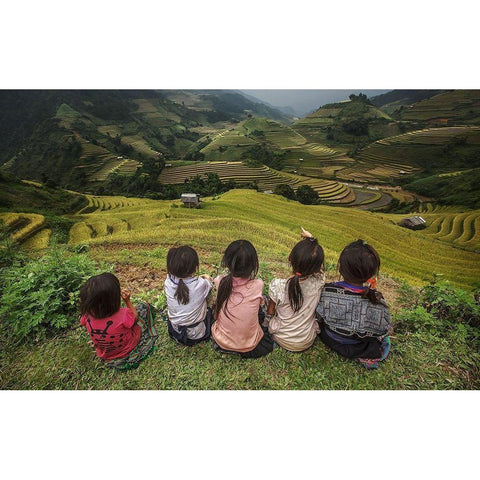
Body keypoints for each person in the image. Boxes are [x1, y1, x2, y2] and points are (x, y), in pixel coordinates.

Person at [316, 239, 392, 369]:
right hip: (361, 346)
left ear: (339, 267)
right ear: (371, 274)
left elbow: (318, 315)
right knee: (382, 341)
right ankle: (369, 357)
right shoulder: (378, 300)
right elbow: (383, 329)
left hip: (332, 339)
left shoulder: (327, 291)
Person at [79, 272, 158, 370]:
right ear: (113, 299)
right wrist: (128, 301)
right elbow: (135, 319)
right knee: (144, 307)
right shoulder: (123, 314)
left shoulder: (87, 315)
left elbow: (82, 323)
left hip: (106, 354)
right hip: (128, 348)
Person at [211, 239, 274, 358]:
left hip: (221, 341)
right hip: (250, 346)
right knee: (261, 308)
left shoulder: (220, 281)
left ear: (227, 263)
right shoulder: (258, 285)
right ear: (253, 265)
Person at [266, 232, 325, 352]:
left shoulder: (278, 285)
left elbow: (270, 311)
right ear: (317, 268)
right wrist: (311, 239)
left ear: (290, 259)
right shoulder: (318, 283)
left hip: (281, 337)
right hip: (307, 339)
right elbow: (320, 270)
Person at [164, 245, 213, 346]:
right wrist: (207, 278)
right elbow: (210, 283)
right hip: (197, 334)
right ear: (194, 268)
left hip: (175, 331)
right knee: (209, 301)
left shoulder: (168, 282)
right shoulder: (201, 284)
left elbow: (185, 283)